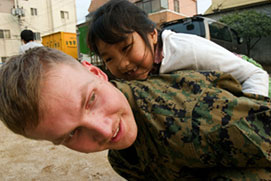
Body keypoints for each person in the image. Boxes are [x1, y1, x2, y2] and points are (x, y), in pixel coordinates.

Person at [0, 47, 271, 180]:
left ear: (96, 72)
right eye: (72, 134)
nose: (105, 132)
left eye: (91, 100)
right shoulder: (123, 159)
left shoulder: (194, 118)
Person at [87, 0, 269, 97]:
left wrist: (250, 116)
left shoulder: (189, 51)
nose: (123, 64)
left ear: (152, 34)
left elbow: (255, 75)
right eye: (109, 59)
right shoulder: (134, 77)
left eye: (126, 48)